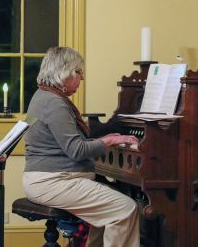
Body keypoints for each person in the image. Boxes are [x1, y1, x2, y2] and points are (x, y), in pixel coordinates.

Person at [23, 47, 140, 247]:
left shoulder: (43, 96)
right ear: (63, 72)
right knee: (125, 209)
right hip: (53, 182)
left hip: (46, 180)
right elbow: (76, 150)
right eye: (78, 72)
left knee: (107, 213)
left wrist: (105, 138)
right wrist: (109, 142)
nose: (81, 78)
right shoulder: (54, 103)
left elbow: (66, 144)